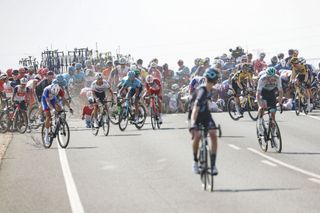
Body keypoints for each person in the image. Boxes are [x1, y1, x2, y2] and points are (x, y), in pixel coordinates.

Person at [189, 68, 220, 175]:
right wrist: (193, 123)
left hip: (205, 114)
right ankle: (195, 162)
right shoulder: (202, 91)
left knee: (213, 134)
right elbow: (195, 109)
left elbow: (206, 103)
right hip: (196, 115)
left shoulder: (211, 90)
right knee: (197, 136)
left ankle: (213, 165)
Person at [256, 67, 283, 135]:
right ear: (266, 75)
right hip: (263, 92)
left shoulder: (277, 78)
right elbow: (258, 93)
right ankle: (259, 122)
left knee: (273, 113)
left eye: (273, 76)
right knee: (263, 107)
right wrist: (260, 104)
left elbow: (280, 91)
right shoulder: (262, 79)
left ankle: (273, 128)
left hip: (271, 92)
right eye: (269, 77)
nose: (271, 78)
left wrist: (280, 102)